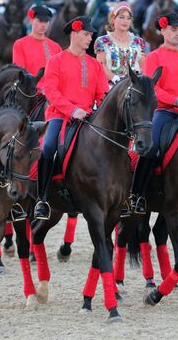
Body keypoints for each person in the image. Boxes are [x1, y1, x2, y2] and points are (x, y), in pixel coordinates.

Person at [124, 12, 178, 217]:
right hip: (166, 112)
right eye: (173, 29)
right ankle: (136, 195)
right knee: (150, 146)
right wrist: (175, 100)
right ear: (163, 31)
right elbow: (151, 89)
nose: (177, 33)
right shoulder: (154, 56)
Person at [34, 16, 109, 220]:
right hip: (60, 116)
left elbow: (102, 93)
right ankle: (42, 198)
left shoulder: (95, 65)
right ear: (74, 34)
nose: (90, 39)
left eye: (91, 35)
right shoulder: (55, 61)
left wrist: (100, 109)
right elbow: (50, 91)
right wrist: (72, 110)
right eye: (86, 34)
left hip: (88, 118)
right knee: (48, 147)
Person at [94, 2, 146, 87]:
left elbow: (143, 66)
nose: (125, 21)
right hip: (111, 87)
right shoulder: (103, 41)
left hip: (134, 87)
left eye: (128, 18)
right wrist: (115, 78)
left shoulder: (138, 42)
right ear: (113, 19)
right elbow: (100, 64)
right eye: (121, 17)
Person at [13, 5, 61, 78]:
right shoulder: (20, 44)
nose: (43, 25)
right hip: (30, 88)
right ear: (31, 21)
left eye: (46, 21)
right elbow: (19, 74)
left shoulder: (56, 47)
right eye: (40, 21)